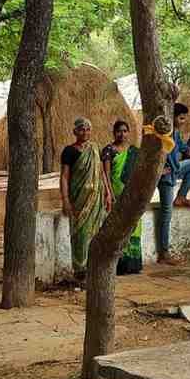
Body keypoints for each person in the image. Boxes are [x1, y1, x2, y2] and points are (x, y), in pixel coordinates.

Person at [61, 118, 114, 279]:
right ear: (75, 132)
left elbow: (101, 172)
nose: (85, 132)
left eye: (88, 129)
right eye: (82, 129)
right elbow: (64, 177)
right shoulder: (69, 151)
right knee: (80, 234)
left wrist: (108, 193)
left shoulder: (95, 148)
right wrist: (65, 200)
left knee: (96, 233)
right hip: (78, 200)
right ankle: (80, 272)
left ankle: (94, 270)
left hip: (97, 200)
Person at [157, 103, 190, 265]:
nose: (183, 121)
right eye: (181, 118)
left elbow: (188, 151)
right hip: (166, 177)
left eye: (185, 118)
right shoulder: (164, 133)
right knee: (166, 213)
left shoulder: (176, 134)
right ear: (173, 117)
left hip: (175, 169)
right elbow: (155, 154)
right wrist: (160, 170)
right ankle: (164, 253)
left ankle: (181, 196)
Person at [101, 120, 142, 275]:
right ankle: (120, 265)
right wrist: (110, 194)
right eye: (119, 131)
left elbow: (138, 174)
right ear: (114, 133)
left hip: (133, 195)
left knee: (134, 227)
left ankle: (133, 264)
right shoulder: (108, 150)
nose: (122, 134)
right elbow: (106, 174)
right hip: (117, 194)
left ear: (128, 132)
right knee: (119, 228)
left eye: (125, 131)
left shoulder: (134, 151)